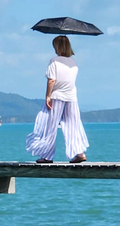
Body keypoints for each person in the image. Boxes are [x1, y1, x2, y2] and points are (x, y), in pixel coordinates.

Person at [26, 35, 89, 164]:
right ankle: (80, 153)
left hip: (57, 97)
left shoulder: (54, 61)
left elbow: (52, 80)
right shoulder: (73, 62)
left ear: (58, 47)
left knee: (49, 125)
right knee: (73, 125)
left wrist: (48, 96)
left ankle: (47, 156)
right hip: (71, 97)